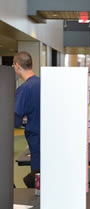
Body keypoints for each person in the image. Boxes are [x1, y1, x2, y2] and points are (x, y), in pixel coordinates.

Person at [13, 51, 40, 188]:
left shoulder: (24, 89)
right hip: (48, 139)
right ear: (32, 64)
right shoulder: (43, 83)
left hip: (36, 141)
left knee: (37, 177)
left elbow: (14, 119)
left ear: (17, 66)